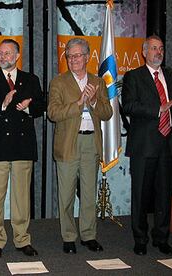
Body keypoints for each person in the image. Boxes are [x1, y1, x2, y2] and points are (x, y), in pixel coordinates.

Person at [0, 39, 44, 259]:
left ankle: (22, 239)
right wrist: (3, 104)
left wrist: (29, 107)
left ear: (17, 56)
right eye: (0, 54)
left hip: (23, 146)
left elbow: (42, 106)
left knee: (21, 197)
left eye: (7, 53)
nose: (3, 57)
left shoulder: (31, 79)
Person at [122, 35, 172, 256]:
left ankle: (161, 238)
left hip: (168, 144)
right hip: (144, 146)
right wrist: (159, 109)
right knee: (141, 195)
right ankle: (140, 239)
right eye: (153, 48)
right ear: (144, 52)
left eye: (161, 48)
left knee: (163, 195)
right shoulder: (133, 77)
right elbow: (129, 106)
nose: (158, 52)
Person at [47, 38, 112, 254]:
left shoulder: (98, 81)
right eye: (69, 55)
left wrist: (93, 101)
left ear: (87, 57)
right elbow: (53, 113)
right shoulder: (59, 81)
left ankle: (88, 235)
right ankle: (68, 236)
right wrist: (79, 103)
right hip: (68, 143)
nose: (73, 59)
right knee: (65, 194)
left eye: (77, 55)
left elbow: (107, 113)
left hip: (90, 142)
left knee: (88, 193)